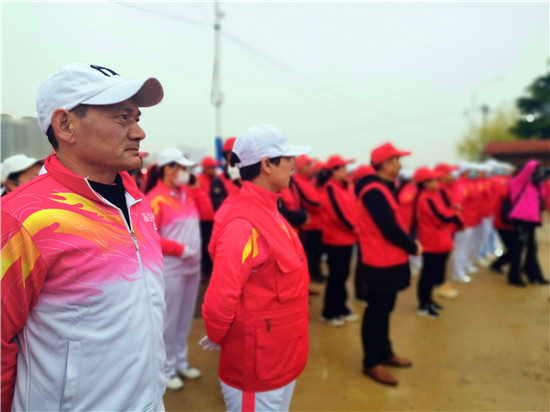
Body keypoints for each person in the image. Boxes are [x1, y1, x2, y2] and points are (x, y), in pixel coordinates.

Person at [1, 63, 166, 411]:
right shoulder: (23, 218)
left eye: (137, 118)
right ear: (65, 125)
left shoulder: (137, 202)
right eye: (122, 118)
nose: (139, 132)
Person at [202, 124, 311, 412]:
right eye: (288, 157)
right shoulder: (243, 224)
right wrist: (220, 335)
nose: (294, 163)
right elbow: (219, 301)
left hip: (281, 356)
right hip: (257, 365)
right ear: (267, 164)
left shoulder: (269, 210)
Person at [354, 142, 420, 386]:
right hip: (379, 259)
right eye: (397, 161)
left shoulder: (384, 187)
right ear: (386, 164)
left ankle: (385, 352)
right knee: (376, 311)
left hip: (390, 257)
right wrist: (412, 245)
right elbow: (388, 227)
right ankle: (372, 362)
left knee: (385, 309)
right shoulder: (373, 190)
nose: (400, 165)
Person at [145, 148, 206, 390]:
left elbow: (207, 213)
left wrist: (197, 189)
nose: (185, 173)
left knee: (184, 319)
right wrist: (179, 249)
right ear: (168, 169)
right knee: (169, 322)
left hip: (191, 267)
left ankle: (181, 362)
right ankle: (167, 368)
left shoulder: (186, 195)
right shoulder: (156, 199)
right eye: (181, 168)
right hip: (171, 269)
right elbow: (149, 237)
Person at [414, 167, 462, 319]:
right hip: (432, 242)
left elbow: (447, 210)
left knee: (434, 272)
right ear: (425, 183)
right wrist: (455, 213)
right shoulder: (426, 199)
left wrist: (453, 212)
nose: (437, 182)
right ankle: (423, 304)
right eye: (433, 180)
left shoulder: (435, 195)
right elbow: (442, 218)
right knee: (427, 275)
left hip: (441, 240)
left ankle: (429, 300)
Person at [319, 154, 359, 327]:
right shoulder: (330, 188)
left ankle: (341, 307)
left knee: (343, 275)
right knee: (336, 276)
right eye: (342, 167)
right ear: (334, 171)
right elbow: (337, 213)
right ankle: (329, 312)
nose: (345, 170)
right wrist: (353, 227)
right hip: (336, 238)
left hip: (346, 238)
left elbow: (351, 209)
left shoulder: (344, 187)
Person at [506, 160, 549, 286]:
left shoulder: (533, 184)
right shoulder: (517, 182)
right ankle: (514, 276)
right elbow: (530, 166)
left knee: (532, 248)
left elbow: (543, 194)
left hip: (532, 219)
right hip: (521, 218)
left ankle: (534, 274)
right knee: (518, 249)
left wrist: (543, 176)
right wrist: (537, 163)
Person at [210, 137, 242, 210]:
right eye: (233, 156)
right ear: (226, 157)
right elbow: (218, 205)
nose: (236, 159)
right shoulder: (218, 180)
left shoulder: (250, 177)